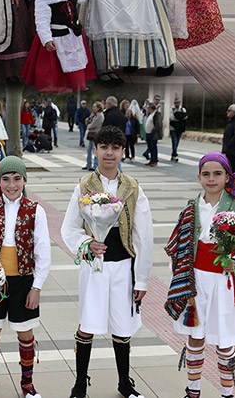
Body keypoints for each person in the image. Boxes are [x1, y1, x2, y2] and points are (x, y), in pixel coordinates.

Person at [165, 151, 235, 398]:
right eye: (206, 174)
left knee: (224, 341)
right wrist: (179, 278)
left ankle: (227, 393)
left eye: (217, 174)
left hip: (223, 283)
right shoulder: (191, 207)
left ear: (227, 176)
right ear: (199, 177)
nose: (212, 179)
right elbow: (179, 247)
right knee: (195, 338)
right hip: (196, 282)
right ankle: (193, 391)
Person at [61, 125, 153, 398]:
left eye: (115, 148)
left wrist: (143, 279)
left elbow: (144, 235)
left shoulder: (133, 188)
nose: (109, 153)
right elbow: (69, 228)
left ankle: (124, 383)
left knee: (122, 325)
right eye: (104, 147)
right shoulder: (84, 185)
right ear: (96, 149)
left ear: (123, 152)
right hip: (94, 267)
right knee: (87, 323)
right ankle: (80, 384)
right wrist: (87, 243)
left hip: (124, 266)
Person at [0, 155, 51, 398]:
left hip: (23, 281)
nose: (12, 185)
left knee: (25, 333)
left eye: (17, 178)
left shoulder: (36, 211)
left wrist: (36, 287)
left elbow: (43, 252)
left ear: (25, 180)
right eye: (6, 179)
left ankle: (27, 385)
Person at [22, 0, 94, 94]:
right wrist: (47, 39)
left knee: (75, 61)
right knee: (54, 66)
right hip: (54, 37)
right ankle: (55, 87)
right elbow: (42, 20)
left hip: (73, 35)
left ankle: (76, 85)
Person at [169, 96, 187, 162]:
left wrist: (179, 116)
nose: (177, 104)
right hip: (173, 127)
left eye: (178, 102)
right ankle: (175, 154)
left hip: (180, 128)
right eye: (175, 102)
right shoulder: (172, 109)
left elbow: (186, 117)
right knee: (174, 141)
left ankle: (173, 154)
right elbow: (172, 118)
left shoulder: (182, 109)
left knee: (177, 142)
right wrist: (181, 117)